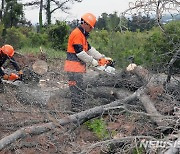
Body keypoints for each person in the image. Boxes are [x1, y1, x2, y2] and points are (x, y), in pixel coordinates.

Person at [64, 13, 112, 112]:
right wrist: (93, 61)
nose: (91, 29)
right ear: (85, 24)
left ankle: (78, 108)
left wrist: (101, 57)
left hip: (77, 68)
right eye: (90, 27)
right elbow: (80, 53)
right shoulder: (77, 34)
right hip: (73, 68)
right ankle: (76, 110)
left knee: (79, 87)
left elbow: (89, 49)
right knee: (76, 89)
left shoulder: (82, 35)